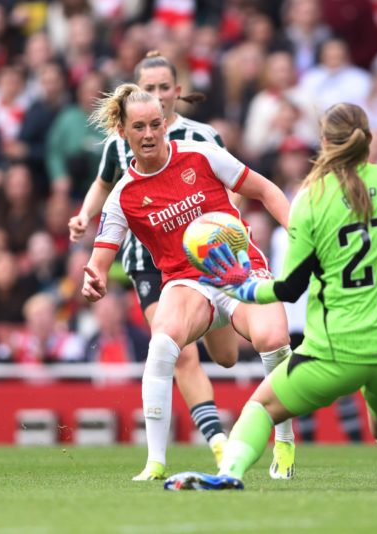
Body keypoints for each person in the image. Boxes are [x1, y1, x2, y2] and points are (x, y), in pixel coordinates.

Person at [164, 103, 377, 491]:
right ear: (369, 142)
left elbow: (289, 288)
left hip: (336, 349)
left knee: (260, 407)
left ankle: (229, 474)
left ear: (324, 143)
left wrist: (241, 286)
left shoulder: (312, 199)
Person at [81, 85, 297, 482]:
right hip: (186, 282)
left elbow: (265, 190)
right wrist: (92, 280)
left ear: (165, 122)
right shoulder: (123, 196)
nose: (149, 134)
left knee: (272, 340)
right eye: (139, 127)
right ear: (123, 131)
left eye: (155, 124)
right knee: (162, 345)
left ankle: (283, 439)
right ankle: (155, 462)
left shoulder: (202, 155)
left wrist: (298, 232)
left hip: (239, 269)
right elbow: (99, 262)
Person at [68, 51, 250, 474]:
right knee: (175, 350)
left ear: (177, 91)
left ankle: (216, 317)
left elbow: (234, 186)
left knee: (225, 357)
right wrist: (83, 215)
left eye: (163, 87)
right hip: (150, 259)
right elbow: (104, 185)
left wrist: (221, 231)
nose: (157, 95)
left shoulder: (204, 137)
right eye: (147, 88)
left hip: (207, 256)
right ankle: (219, 445)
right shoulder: (120, 143)